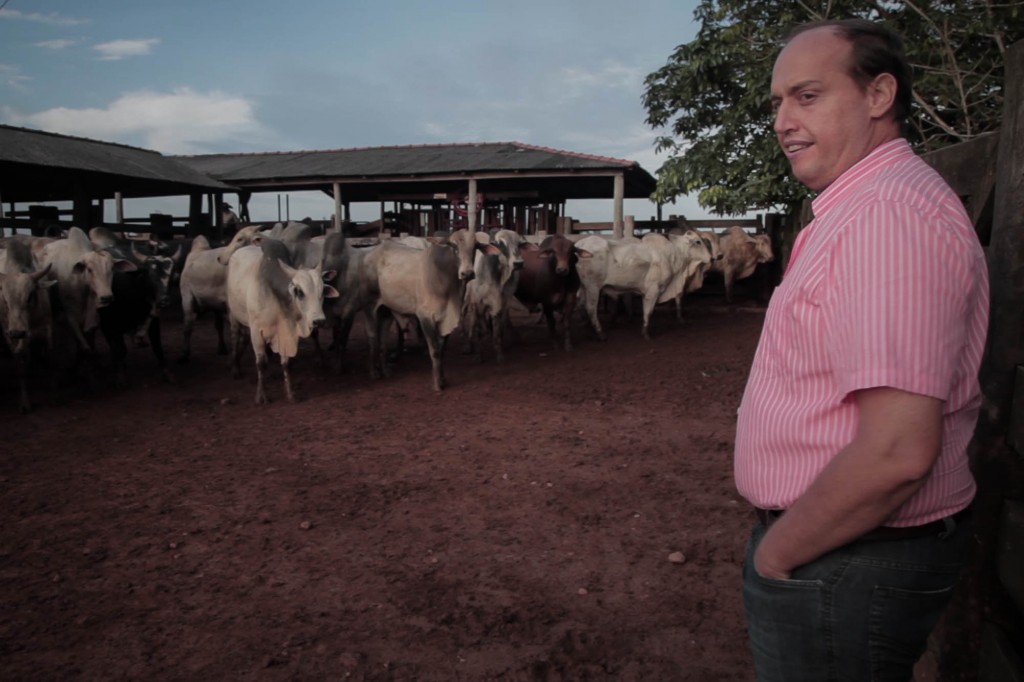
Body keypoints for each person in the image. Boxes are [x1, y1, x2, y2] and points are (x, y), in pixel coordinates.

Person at [734, 19, 989, 681]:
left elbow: (897, 451)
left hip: (847, 558)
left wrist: (778, 555)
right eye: (777, 103)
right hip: (849, 552)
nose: (784, 121)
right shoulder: (856, 209)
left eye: (808, 96)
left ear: (879, 95)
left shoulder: (885, 215)